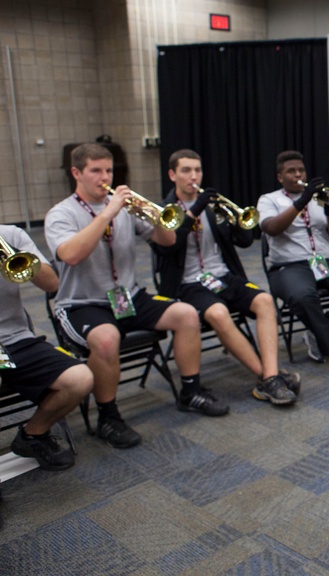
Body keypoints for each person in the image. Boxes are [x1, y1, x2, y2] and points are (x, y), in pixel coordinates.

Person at [45, 143, 228, 450]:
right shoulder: (60, 214)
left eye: (109, 170)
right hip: (82, 303)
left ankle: (190, 391)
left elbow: (168, 240)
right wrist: (110, 211)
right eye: (96, 171)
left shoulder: (123, 208)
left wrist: (154, 215)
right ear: (76, 173)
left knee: (185, 314)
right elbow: (71, 255)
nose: (105, 177)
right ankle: (108, 416)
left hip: (128, 296)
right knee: (105, 340)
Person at [154, 149, 299, 406]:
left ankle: (271, 375)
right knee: (218, 313)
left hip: (222, 276)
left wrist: (233, 220)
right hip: (188, 285)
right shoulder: (164, 211)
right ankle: (268, 378)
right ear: (172, 175)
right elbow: (168, 248)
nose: (193, 176)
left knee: (265, 301)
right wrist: (194, 211)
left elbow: (244, 241)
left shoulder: (211, 205)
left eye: (197, 170)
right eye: (186, 170)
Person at [258, 150, 329, 363]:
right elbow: (271, 228)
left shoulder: (319, 199)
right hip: (288, 266)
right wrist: (301, 201)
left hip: (324, 261)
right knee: (303, 296)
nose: (298, 174)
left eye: (301, 170)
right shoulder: (268, 200)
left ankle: (318, 334)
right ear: (280, 177)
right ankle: (328, 343)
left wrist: (328, 207)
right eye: (291, 171)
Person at [0, 225, 92, 470]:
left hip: (14, 338)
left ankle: (33, 434)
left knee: (79, 378)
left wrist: (15, 254)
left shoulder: (10, 235)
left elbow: (52, 284)